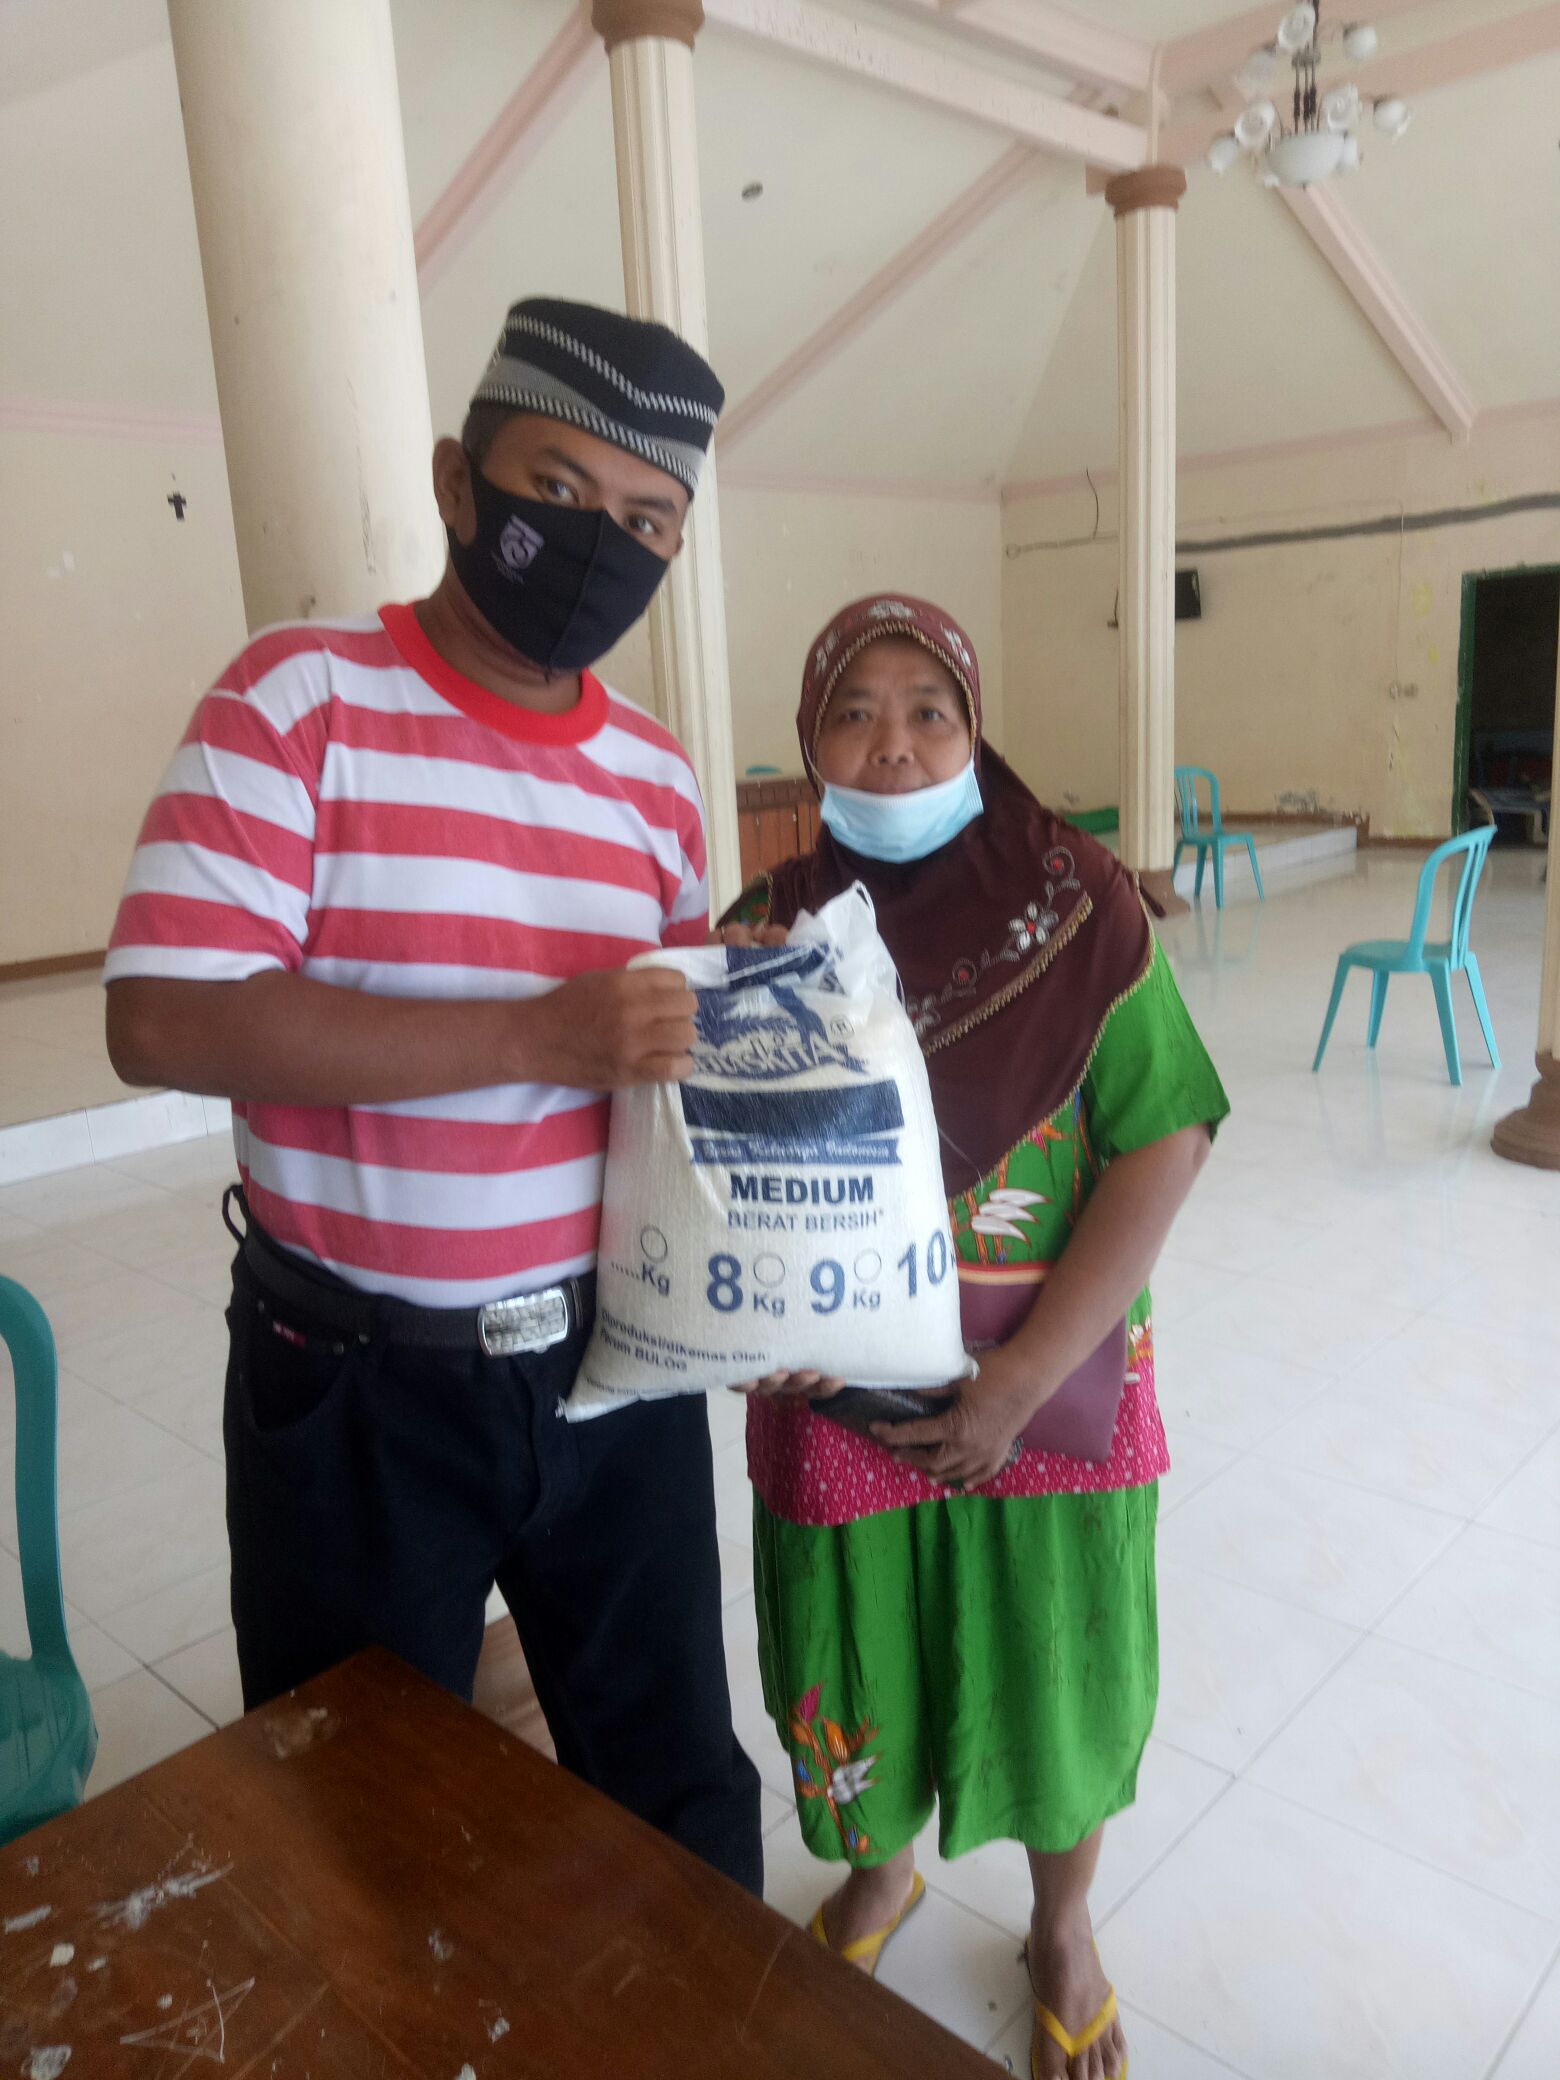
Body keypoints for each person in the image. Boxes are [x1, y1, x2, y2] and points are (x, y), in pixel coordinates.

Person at [104, 297, 763, 1894]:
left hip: (617, 1365)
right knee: (359, 1821)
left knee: (676, 1785)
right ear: (459, 481)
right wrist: (537, 1036)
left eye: (647, 521)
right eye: (560, 486)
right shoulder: (297, 704)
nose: (601, 542)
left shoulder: (657, 779)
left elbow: (662, 1080)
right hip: (360, 1384)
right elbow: (161, 1019)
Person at [721, 594, 1228, 2075]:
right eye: (853, 712)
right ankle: (880, 1871)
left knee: (1056, 1673)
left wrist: (1019, 1380)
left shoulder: (1082, 909)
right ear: (809, 745)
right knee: (856, 1660)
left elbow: (1167, 1134)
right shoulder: (766, 929)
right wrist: (745, 1311)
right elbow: (715, 1171)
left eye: (928, 711)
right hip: (842, 1403)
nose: (893, 746)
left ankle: (1063, 1924)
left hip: (1050, 1387)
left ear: (975, 732)